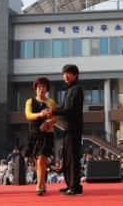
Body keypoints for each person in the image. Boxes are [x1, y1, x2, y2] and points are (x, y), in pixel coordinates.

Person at [45, 64, 84, 196]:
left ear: (75, 75)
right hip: (68, 127)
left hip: (74, 128)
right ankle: (70, 184)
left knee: (73, 157)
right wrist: (54, 111)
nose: (65, 76)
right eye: (64, 74)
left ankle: (75, 187)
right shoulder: (69, 89)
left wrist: (54, 112)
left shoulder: (77, 89)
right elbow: (64, 107)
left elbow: (71, 109)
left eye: (68, 73)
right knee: (67, 157)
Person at [25, 76, 58, 196]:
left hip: (46, 134)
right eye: (39, 87)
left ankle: (38, 186)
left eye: (44, 87)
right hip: (33, 134)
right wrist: (40, 114)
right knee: (35, 160)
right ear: (35, 88)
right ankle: (42, 183)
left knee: (41, 161)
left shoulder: (51, 102)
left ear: (47, 88)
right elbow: (28, 115)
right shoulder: (30, 101)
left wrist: (48, 122)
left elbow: (56, 117)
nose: (41, 89)